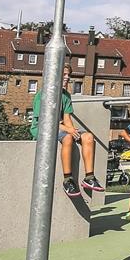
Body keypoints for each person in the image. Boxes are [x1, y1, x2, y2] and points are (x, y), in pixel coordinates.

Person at [30, 64, 102, 198]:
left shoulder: (66, 95)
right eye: (64, 75)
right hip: (43, 128)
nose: (67, 77)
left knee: (88, 137)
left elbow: (67, 118)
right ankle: (68, 180)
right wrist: (68, 130)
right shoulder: (44, 94)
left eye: (68, 75)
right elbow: (46, 121)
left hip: (60, 127)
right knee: (67, 138)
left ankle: (89, 177)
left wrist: (73, 130)